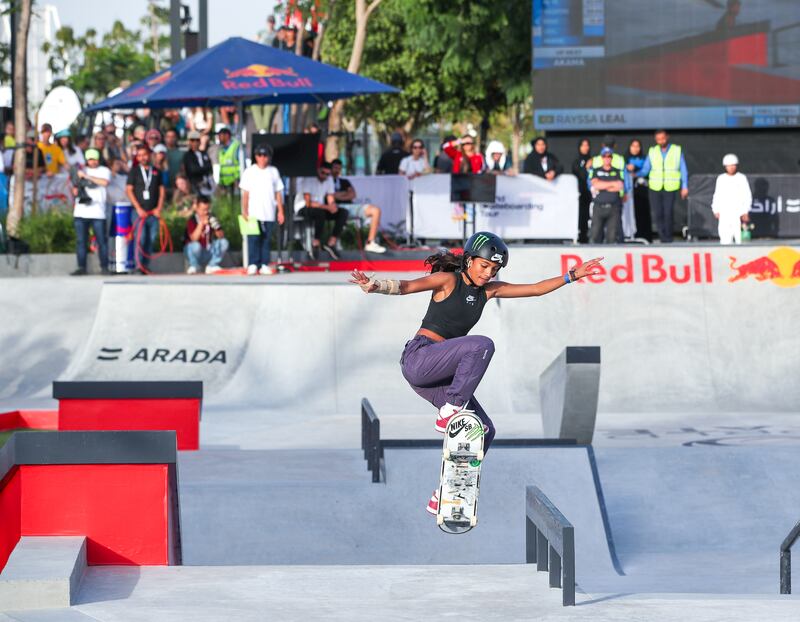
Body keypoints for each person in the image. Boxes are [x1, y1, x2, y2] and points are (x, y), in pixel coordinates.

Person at [349, 232, 602, 514]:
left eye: (494, 270)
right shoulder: (448, 279)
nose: (488, 274)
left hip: (440, 378)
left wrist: (572, 275)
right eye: (484, 266)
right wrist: (374, 285)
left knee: (483, 429)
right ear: (469, 260)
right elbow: (407, 286)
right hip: (420, 358)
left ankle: (446, 492)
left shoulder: (489, 291)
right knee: (482, 345)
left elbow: (535, 288)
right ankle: (451, 409)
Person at [240, 144, 285, 275]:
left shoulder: (273, 171)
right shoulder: (249, 171)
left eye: (265, 155)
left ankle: (264, 263)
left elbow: (278, 193)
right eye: (260, 155)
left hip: (269, 211)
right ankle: (253, 263)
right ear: (256, 156)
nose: (262, 158)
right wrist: (245, 210)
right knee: (253, 238)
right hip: (254, 212)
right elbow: (245, 193)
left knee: (266, 239)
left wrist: (280, 211)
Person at [639, 129, 689, 243]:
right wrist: (635, 173)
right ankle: (662, 238)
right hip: (655, 187)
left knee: (668, 213)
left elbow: (683, 169)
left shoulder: (676, 150)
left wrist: (685, 186)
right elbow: (646, 169)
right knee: (658, 214)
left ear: (667, 137)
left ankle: (668, 238)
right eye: (658, 139)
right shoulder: (653, 151)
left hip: (670, 187)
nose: (661, 141)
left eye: (662, 138)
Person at [330, 158, 386, 254]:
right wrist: (342, 194)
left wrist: (338, 195)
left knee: (375, 210)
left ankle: (370, 242)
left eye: (339, 168)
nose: (337, 171)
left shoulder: (344, 181)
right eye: (335, 168)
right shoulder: (325, 181)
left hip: (349, 207)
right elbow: (330, 196)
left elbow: (352, 195)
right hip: (334, 207)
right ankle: (332, 242)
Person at [295, 161, 349, 260]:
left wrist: (332, 206)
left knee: (343, 212)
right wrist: (327, 207)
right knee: (320, 213)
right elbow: (308, 203)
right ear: (318, 171)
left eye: (327, 174)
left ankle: (331, 243)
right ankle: (315, 243)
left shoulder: (329, 180)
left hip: (320, 207)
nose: (325, 176)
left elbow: (330, 198)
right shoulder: (309, 179)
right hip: (303, 207)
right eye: (322, 173)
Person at [125, 144, 165, 274]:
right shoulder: (134, 171)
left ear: (150, 155)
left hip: (153, 212)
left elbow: (161, 190)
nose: (143, 158)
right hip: (139, 212)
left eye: (145, 155)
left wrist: (159, 208)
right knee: (140, 238)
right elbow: (129, 190)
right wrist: (138, 208)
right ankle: (138, 266)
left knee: (151, 239)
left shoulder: (156, 171)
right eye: (140, 155)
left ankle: (145, 266)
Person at [70, 148, 111, 276]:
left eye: (94, 159)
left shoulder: (104, 171)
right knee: (81, 241)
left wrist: (87, 176)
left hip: (98, 212)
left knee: (101, 241)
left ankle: (104, 267)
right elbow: (75, 188)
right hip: (81, 212)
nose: (92, 162)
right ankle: (81, 267)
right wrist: (75, 190)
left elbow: (104, 182)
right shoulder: (80, 170)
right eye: (90, 159)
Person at [711, 153, 751, 244]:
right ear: (725, 166)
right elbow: (717, 195)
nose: (731, 167)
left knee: (739, 240)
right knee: (725, 240)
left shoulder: (741, 178)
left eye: (733, 165)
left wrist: (745, 211)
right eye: (729, 165)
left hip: (738, 214)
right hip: (725, 214)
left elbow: (747, 195)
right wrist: (715, 209)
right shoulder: (721, 179)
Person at [184, 195, 229, 274]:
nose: (205, 212)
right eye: (203, 210)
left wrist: (216, 226)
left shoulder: (212, 217)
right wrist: (201, 224)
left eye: (207, 209)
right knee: (194, 246)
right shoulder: (192, 220)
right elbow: (193, 238)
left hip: (209, 250)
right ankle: (194, 266)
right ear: (197, 208)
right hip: (197, 251)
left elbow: (221, 236)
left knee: (224, 242)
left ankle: (212, 265)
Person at [589, 148, 624, 244]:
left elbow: (619, 186)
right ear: (601, 158)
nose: (607, 158)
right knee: (595, 235)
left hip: (613, 207)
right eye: (605, 156)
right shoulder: (596, 170)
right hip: (599, 207)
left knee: (612, 236)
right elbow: (595, 185)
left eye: (609, 156)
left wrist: (602, 185)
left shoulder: (617, 171)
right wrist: (612, 184)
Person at [626, 139, 652, 242]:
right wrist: (627, 169)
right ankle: (631, 236)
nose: (635, 149)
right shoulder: (625, 159)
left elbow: (646, 170)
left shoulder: (644, 158)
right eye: (633, 146)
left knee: (643, 213)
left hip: (641, 191)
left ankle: (645, 236)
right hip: (629, 192)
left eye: (638, 146)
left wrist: (636, 173)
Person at [572, 139, 592, 243]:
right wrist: (586, 168)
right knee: (582, 216)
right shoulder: (577, 161)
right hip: (581, 194)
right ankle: (581, 236)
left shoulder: (594, 160)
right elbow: (580, 175)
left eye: (587, 145)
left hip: (592, 194)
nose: (585, 147)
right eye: (583, 145)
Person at [183, 130, 214, 196]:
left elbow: (210, 167)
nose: (195, 142)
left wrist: (202, 169)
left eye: (197, 140)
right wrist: (205, 169)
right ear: (189, 142)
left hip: (207, 183)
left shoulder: (204, 153)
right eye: (192, 140)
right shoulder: (188, 155)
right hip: (195, 184)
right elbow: (193, 170)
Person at [216, 126, 241, 197]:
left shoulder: (236, 147)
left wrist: (239, 180)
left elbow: (242, 165)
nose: (218, 138)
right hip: (224, 184)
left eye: (220, 135)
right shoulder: (221, 149)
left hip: (235, 183)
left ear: (227, 136)